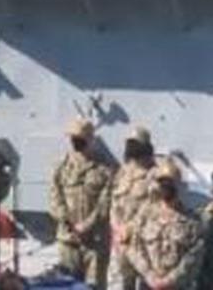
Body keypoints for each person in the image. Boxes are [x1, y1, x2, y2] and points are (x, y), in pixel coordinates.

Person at [49, 118, 114, 289]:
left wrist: (86, 225)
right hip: (68, 239)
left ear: (90, 139)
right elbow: (55, 197)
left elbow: (106, 202)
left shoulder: (105, 168)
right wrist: (70, 222)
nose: (75, 141)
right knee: (66, 284)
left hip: (95, 241)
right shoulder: (62, 166)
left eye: (79, 138)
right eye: (73, 137)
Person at [127, 160, 204, 290]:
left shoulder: (192, 221)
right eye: (162, 183)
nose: (165, 187)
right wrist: (149, 275)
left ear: (178, 186)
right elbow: (134, 249)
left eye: (169, 183)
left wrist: (169, 281)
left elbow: (194, 258)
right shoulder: (146, 215)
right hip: (148, 284)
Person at [112, 126, 158, 290]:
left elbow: (152, 207)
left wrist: (129, 228)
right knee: (126, 283)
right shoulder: (123, 172)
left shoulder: (154, 174)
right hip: (122, 242)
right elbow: (114, 202)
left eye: (135, 144)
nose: (131, 147)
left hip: (144, 241)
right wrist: (116, 227)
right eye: (130, 143)